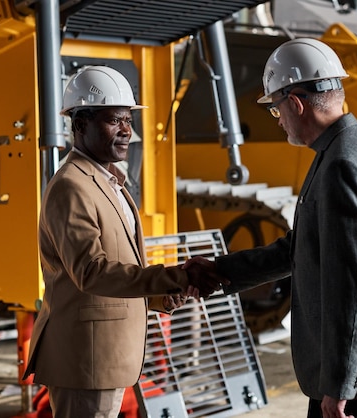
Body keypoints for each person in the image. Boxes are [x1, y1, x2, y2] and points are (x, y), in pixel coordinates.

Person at [184, 38, 357, 418]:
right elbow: (301, 247)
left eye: (276, 109)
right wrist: (220, 271)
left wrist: (340, 384)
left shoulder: (342, 164)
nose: (278, 119)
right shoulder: (352, 147)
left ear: (295, 103)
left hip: (353, 371)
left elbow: (354, 285)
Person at [23, 65, 226, 418]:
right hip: (85, 360)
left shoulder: (107, 180)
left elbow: (122, 264)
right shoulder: (72, 186)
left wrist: (161, 296)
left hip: (107, 355)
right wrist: (177, 275)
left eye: (129, 121)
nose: (126, 131)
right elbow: (92, 272)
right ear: (81, 124)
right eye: (114, 120)